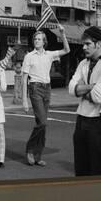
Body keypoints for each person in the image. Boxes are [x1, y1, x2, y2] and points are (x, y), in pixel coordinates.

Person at [68, 26, 101, 176]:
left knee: (97, 168)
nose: (84, 47)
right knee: (81, 168)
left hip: (99, 120)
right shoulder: (83, 63)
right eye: (84, 44)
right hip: (81, 118)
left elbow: (97, 97)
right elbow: (70, 89)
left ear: (99, 44)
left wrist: (80, 89)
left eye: (88, 44)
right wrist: (91, 86)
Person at [22, 26, 70, 166]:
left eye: (39, 39)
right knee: (43, 122)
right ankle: (30, 149)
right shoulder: (29, 56)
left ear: (44, 41)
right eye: (35, 39)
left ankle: (38, 156)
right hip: (35, 88)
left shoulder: (49, 54)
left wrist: (63, 34)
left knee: (41, 124)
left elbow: (67, 50)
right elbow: (24, 78)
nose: (36, 41)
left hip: (46, 89)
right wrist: (24, 100)